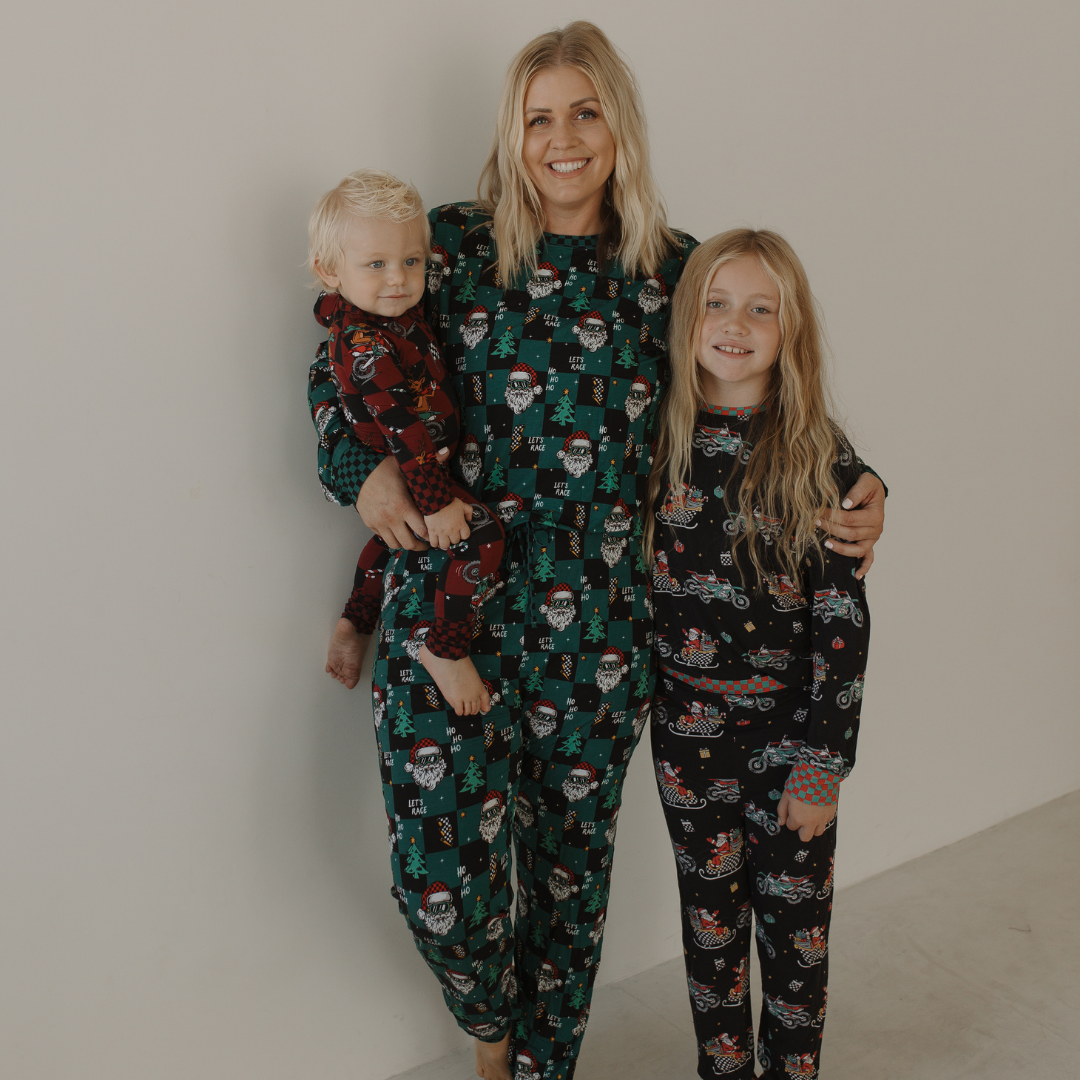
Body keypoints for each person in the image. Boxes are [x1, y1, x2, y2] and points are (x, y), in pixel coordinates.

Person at [306, 23, 886, 1080]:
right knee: (441, 888)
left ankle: (539, 1070)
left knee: (568, 900)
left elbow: (761, 393)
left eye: (586, 111)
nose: (563, 138)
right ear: (512, 132)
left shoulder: (675, 272)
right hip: (451, 622)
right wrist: (361, 473)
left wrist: (857, 484)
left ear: (620, 122)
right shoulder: (448, 248)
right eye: (539, 117)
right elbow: (342, 360)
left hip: (605, 641)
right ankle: (492, 1034)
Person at [645, 229, 872, 1080]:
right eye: (716, 303)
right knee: (710, 938)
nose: (734, 324)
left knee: (795, 942)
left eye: (760, 309)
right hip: (685, 737)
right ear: (687, 316)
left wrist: (823, 764)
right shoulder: (656, 438)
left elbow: (843, 624)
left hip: (790, 740)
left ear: (791, 330)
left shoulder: (818, 455)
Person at [310, 169, 504, 716]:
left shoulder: (384, 313)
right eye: (376, 264)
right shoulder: (364, 342)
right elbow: (403, 430)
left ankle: (355, 622)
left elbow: (335, 312)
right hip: (415, 465)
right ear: (330, 271)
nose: (398, 278)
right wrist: (437, 499)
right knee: (482, 537)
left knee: (392, 543)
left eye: (412, 261)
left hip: (426, 462)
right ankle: (445, 649)